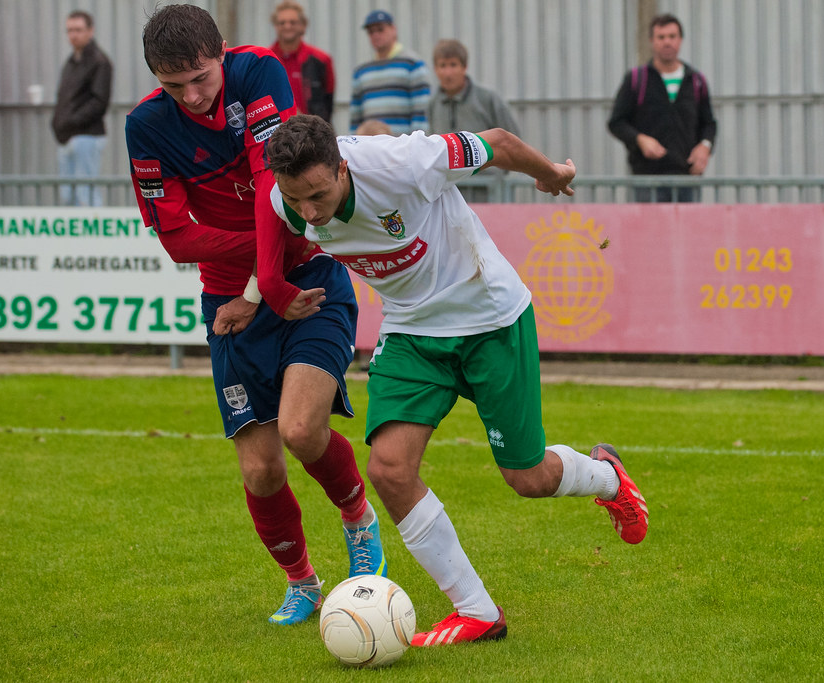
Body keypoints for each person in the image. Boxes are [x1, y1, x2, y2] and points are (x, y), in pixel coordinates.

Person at [259, 114, 650, 645]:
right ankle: (478, 611)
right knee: (390, 470)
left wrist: (552, 175)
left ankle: (608, 477)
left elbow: (500, 143)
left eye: (317, 195)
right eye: (295, 198)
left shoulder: (405, 163)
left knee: (527, 477)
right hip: (411, 331)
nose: (308, 210)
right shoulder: (287, 202)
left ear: (343, 168)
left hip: (488, 315)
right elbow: (275, 230)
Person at [124, 4, 386, 627]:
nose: (190, 96)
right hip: (232, 302)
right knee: (261, 466)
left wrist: (265, 282)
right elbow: (178, 241)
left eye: (200, 77)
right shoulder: (145, 126)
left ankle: (357, 517)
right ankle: (301, 582)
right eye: (172, 85)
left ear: (222, 49)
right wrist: (253, 279)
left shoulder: (260, 73)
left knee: (301, 430)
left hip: (305, 280)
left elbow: (277, 190)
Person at [607, 13, 717, 202]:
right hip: (647, 180)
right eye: (661, 37)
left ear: (680, 40)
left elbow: (709, 123)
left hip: (687, 179)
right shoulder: (636, 79)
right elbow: (616, 122)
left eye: (672, 36)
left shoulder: (696, 81)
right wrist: (639, 139)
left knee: (687, 231)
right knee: (648, 231)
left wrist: (705, 146)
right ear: (652, 41)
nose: (667, 42)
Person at [427, 38, 520, 202]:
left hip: (487, 190)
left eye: (453, 65)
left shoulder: (487, 99)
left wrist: (496, 174)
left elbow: (512, 138)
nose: (448, 73)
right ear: (435, 69)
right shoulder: (432, 104)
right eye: (443, 66)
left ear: (464, 67)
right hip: (449, 191)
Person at [52, 10, 113, 207]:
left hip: (87, 136)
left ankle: (95, 237)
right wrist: (57, 123)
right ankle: (72, 239)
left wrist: (68, 122)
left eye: (78, 30)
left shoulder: (99, 62)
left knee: (86, 194)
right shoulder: (71, 62)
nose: (73, 35)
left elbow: (99, 103)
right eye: (69, 30)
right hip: (66, 136)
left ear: (90, 31)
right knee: (67, 196)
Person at [349, 9, 429, 135]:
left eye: (380, 29)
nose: (375, 35)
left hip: (401, 147)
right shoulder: (361, 71)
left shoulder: (413, 64)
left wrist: (415, 145)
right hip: (370, 148)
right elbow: (355, 117)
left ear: (393, 29)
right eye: (371, 32)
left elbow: (421, 112)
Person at [269, 0, 334, 123]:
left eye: (292, 22)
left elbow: (328, 104)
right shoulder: (265, 60)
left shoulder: (321, 60)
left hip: (312, 133)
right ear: (276, 26)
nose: (287, 26)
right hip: (274, 134)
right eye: (282, 23)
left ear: (303, 25)